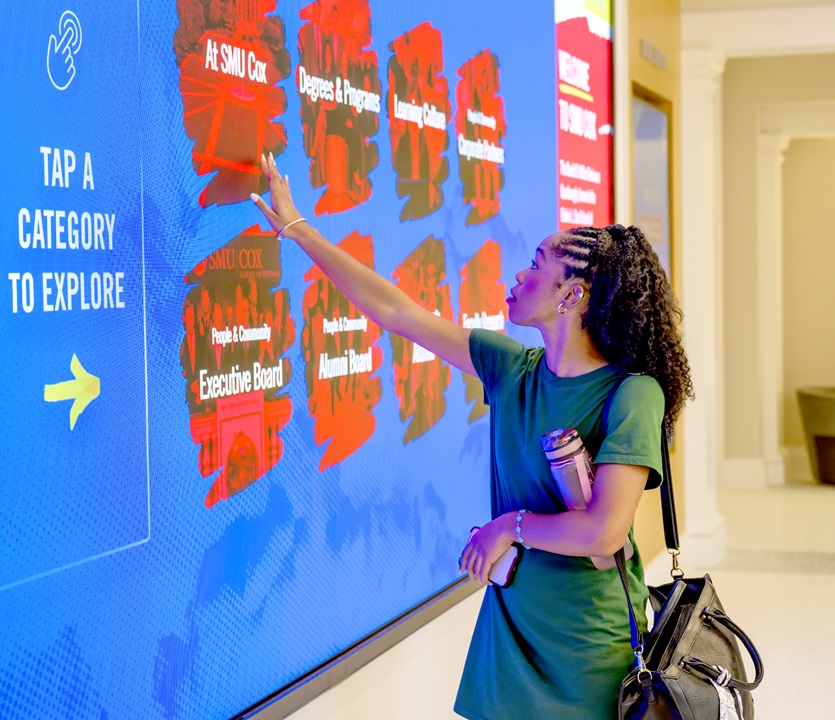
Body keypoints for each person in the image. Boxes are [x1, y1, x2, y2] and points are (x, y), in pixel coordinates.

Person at [250, 152, 693, 718]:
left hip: (587, 646)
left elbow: (604, 531)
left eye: (536, 265)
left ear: (572, 295)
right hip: (510, 629)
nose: (519, 275)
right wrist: (297, 227)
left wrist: (508, 527)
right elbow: (395, 311)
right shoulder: (509, 368)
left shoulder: (632, 393)